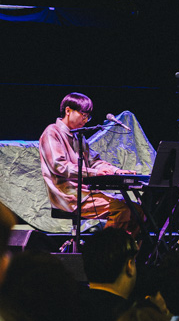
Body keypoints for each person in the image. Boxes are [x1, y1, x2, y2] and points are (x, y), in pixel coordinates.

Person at [38, 92, 135, 230]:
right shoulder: (52, 132)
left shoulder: (78, 136)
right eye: (83, 115)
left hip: (85, 193)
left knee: (137, 210)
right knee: (122, 209)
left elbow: (94, 161)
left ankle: (129, 244)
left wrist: (116, 171)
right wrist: (94, 173)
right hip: (69, 196)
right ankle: (109, 244)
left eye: (88, 117)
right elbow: (59, 166)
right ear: (68, 111)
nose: (85, 120)